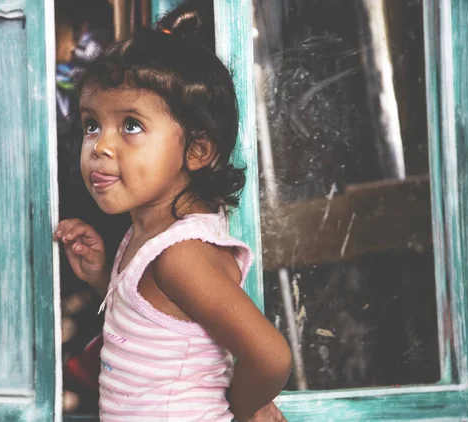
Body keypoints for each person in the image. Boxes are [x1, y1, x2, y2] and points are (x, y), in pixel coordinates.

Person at [54, 1, 292, 420]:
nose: (100, 146)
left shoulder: (182, 255)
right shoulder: (150, 236)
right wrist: (101, 277)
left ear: (197, 150)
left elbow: (271, 357)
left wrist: (241, 408)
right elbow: (153, 335)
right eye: (92, 124)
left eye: (131, 125)